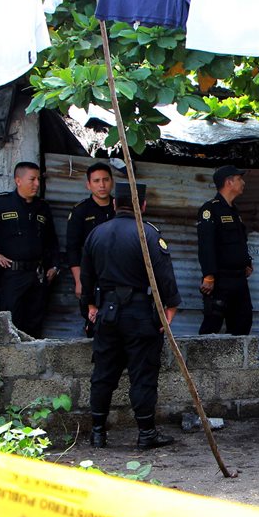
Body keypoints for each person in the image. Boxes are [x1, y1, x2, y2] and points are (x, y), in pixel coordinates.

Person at [81, 182, 181, 449]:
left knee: (103, 373)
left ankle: (98, 433)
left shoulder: (96, 234)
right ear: (142, 205)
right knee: (143, 373)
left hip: (107, 313)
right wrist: (169, 310)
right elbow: (165, 278)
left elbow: (86, 278)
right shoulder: (149, 235)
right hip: (139, 314)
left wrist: (90, 306)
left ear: (115, 204)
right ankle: (146, 434)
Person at [0, 162, 59, 338]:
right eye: (32, 179)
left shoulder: (42, 207)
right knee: (10, 327)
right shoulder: (0, 203)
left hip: (37, 276)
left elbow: (51, 240)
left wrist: (54, 266)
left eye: (38, 180)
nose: (36, 184)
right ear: (18, 180)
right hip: (11, 275)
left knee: (34, 326)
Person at [197, 165, 253, 335]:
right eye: (239, 179)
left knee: (243, 324)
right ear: (229, 182)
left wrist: (247, 262)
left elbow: (239, 242)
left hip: (239, 280)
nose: (243, 182)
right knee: (212, 326)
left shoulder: (234, 211)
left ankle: (235, 362)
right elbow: (206, 244)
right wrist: (208, 275)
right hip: (220, 280)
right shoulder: (210, 209)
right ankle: (200, 362)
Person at [67, 162, 117, 336]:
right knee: (93, 324)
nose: (101, 185)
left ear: (112, 181)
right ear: (88, 184)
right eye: (96, 181)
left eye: (105, 180)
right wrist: (79, 281)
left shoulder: (121, 207)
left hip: (119, 276)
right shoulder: (81, 211)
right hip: (91, 278)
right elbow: (72, 248)